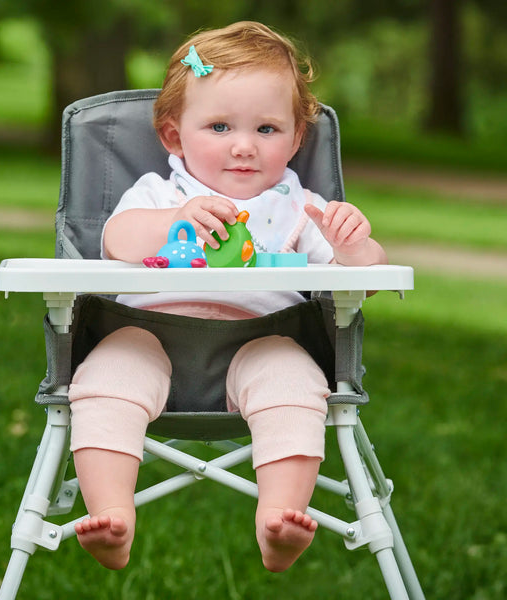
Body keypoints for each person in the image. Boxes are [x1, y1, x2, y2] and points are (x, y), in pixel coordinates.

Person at [69, 21, 387, 573]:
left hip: (264, 341)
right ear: (174, 137)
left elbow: (368, 273)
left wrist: (352, 246)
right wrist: (173, 223)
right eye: (219, 126)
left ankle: (281, 520)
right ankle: (112, 516)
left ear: (295, 139)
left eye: (267, 128)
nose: (244, 146)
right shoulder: (160, 192)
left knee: (295, 383)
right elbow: (116, 240)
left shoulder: (300, 207)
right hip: (145, 335)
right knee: (104, 379)